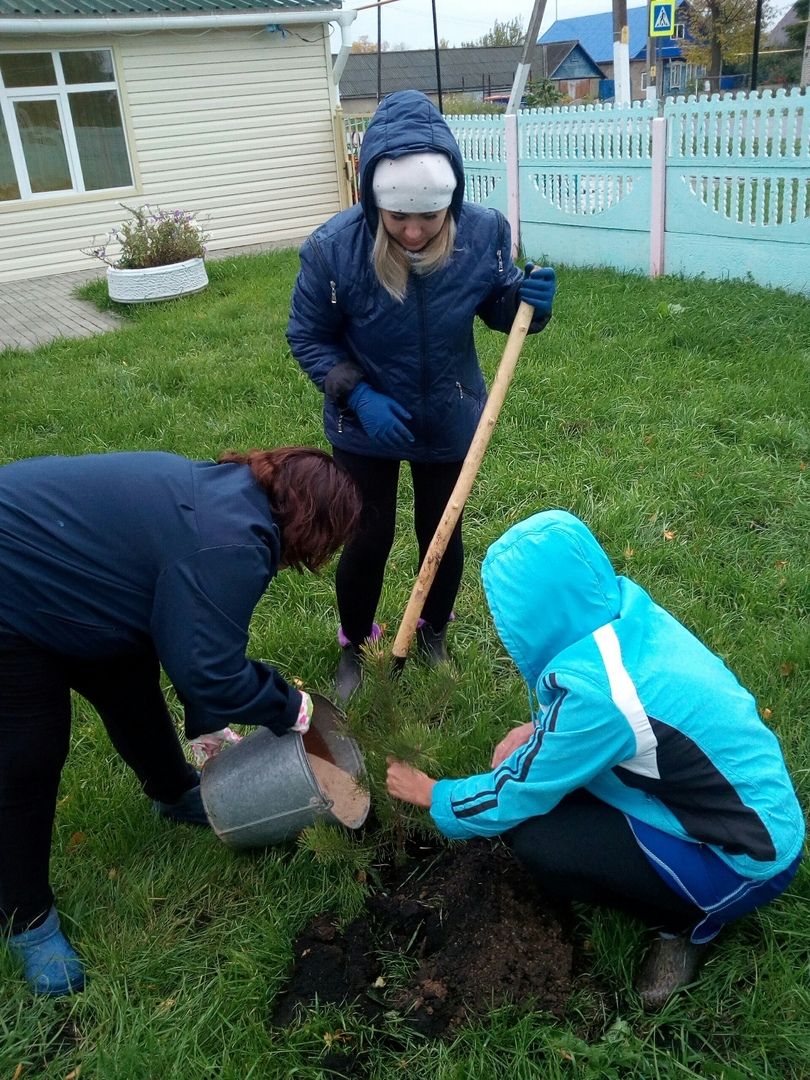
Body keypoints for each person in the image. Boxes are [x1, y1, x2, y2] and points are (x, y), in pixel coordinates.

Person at [386, 510, 804, 1008]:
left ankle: (688, 923)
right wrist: (541, 730)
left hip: (745, 856)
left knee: (539, 839)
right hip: (732, 802)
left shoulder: (599, 696)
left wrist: (434, 794)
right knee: (554, 782)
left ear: (530, 620)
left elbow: (517, 793)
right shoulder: (627, 617)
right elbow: (613, 721)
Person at [0, 446, 361, 997]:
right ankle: (26, 919)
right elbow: (210, 672)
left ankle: (172, 792)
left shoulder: (230, 501)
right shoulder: (232, 542)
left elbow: (186, 629)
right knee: (30, 751)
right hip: (12, 583)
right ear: (316, 528)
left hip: (79, 585)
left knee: (126, 681)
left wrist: (209, 723)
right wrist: (292, 707)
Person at [287, 90, 557, 701]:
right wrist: (357, 398)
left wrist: (529, 308)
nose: (413, 232)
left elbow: (498, 307)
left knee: (443, 531)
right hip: (367, 423)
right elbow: (307, 335)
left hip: (449, 409)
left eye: (428, 219)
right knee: (367, 536)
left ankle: (433, 635)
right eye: (398, 218)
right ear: (373, 202)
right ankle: (355, 644)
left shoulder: (483, 233)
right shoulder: (333, 250)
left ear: (451, 202)